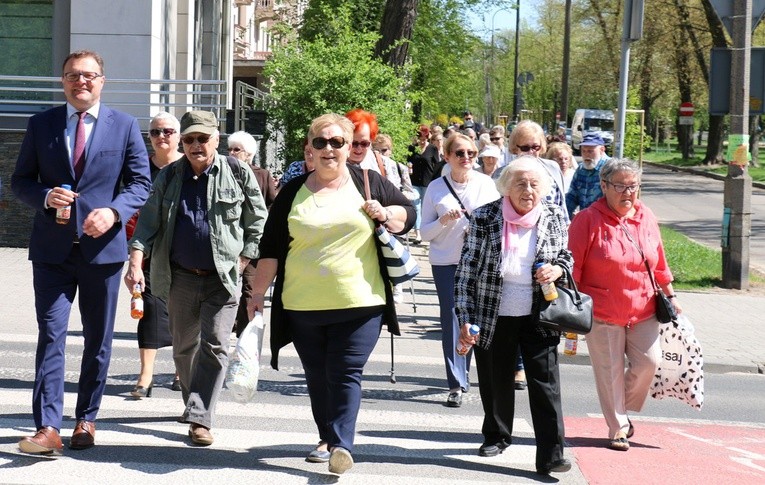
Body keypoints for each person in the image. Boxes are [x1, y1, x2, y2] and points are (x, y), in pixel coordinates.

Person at [249, 113, 415, 474]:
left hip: (361, 303)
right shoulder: (292, 192)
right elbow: (272, 247)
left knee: (344, 372)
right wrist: (256, 295)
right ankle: (326, 436)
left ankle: (341, 445)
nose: (328, 149)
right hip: (302, 304)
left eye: (337, 142)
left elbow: (409, 214)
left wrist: (385, 213)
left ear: (349, 146)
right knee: (318, 375)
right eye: (320, 142)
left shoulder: (368, 182)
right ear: (309, 148)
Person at [11, 50, 151, 455]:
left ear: (102, 81)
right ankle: (48, 427)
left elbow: (140, 184)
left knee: (98, 339)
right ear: (63, 82)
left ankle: (86, 419)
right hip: (52, 253)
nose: (81, 82)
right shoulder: (42, 125)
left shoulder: (124, 126)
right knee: (51, 335)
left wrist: (113, 211)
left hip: (102, 253)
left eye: (89, 75)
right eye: (73, 75)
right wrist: (44, 196)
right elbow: (20, 181)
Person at [125, 110, 267, 447]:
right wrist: (134, 262)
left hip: (223, 277)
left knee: (216, 345)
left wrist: (246, 255)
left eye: (202, 138)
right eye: (188, 139)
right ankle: (194, 405)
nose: (195, 145)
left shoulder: (236, 171)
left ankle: (201, 417)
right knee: (184, 348)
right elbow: (147, 224)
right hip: (180, 278)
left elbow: (258, 216)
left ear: (216, 139)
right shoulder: (170, 176)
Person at [454, 156, 572, 475]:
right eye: (520, 183)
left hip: (540, 312)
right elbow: (466, 272)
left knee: (545, 383)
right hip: (495, 312)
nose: (528, 190)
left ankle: (552, 453)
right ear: (507, 187)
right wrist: (465, 317)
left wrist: (557, 268)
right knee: (495, 379)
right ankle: (497, 434)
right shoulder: (485, 216)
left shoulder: (554, 214)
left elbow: (566, 256)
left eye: (534, 184)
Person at [568, 158, 681, 452]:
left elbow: (659, 261)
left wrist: (671, 295)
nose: (628, 193)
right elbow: (573, 268)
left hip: (643, 309)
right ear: (604, 186)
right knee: (609, 372)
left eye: (633, 186)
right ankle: (618, 426)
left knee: (649, 363)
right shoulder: (587, 220)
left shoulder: (646, 216)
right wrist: (572, 308)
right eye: (620, 186)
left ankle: (621, 406)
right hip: (603, 312)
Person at [421, 133, 500, 407]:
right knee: (453, 319)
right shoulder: (435, 188)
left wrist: (475, 230)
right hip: (446, 262)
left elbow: (497, 224)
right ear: (447, 157)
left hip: (479, 262)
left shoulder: (486, 185)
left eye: (471, 153)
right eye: (459, 153)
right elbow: (424, 233)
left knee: (479, 317)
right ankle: (456, 381)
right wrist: (443, 220)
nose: (466, 158)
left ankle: (483, 374)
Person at [129, 112, 184, 398]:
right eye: (155, 132)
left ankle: (180, 371)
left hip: (183, 252)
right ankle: (145, 375)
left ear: (178, 135)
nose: (161, 137)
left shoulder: (188, 168)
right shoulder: (139, 170)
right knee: (148, 309)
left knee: (183, 312)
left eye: (168, 131)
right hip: (147, 251)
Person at [228, 131, 277, 337]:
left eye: (236, 149)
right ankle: (227, 323)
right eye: (229, 148)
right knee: (225, 288)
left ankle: (245, 333)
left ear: (248, 154)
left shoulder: (262, 175)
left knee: (250, 288)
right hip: (229, 240)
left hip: (254, 242)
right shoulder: (221, 171)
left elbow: (272, 204)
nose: (231, 152)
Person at [506, 120, 569, 222]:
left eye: (536, 147)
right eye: (525, 148)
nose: (531, 152)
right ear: (515, 148)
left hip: (550, 233)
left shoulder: (553, 168)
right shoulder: (504, 173)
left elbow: (562, 208)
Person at [408, 124, 441, 244]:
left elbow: (437, 165)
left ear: (428, 138)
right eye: (420, 139)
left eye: (424, 139)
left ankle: (426, 229)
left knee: (425, 208)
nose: (422, 142)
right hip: (415, 181)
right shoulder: (412, 148)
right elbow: (408, 162)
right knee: (416, 205)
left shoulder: (432, 148)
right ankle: (418, 234)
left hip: (428, 182)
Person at [565, 133, 609, 220]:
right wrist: (563, 218)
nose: (586, 155)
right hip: (586, 221)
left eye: (590, 151)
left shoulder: (611, 169)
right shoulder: (581, 169)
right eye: (583, 151)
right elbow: (571, 197)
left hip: (605, 222)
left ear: (602, 150)